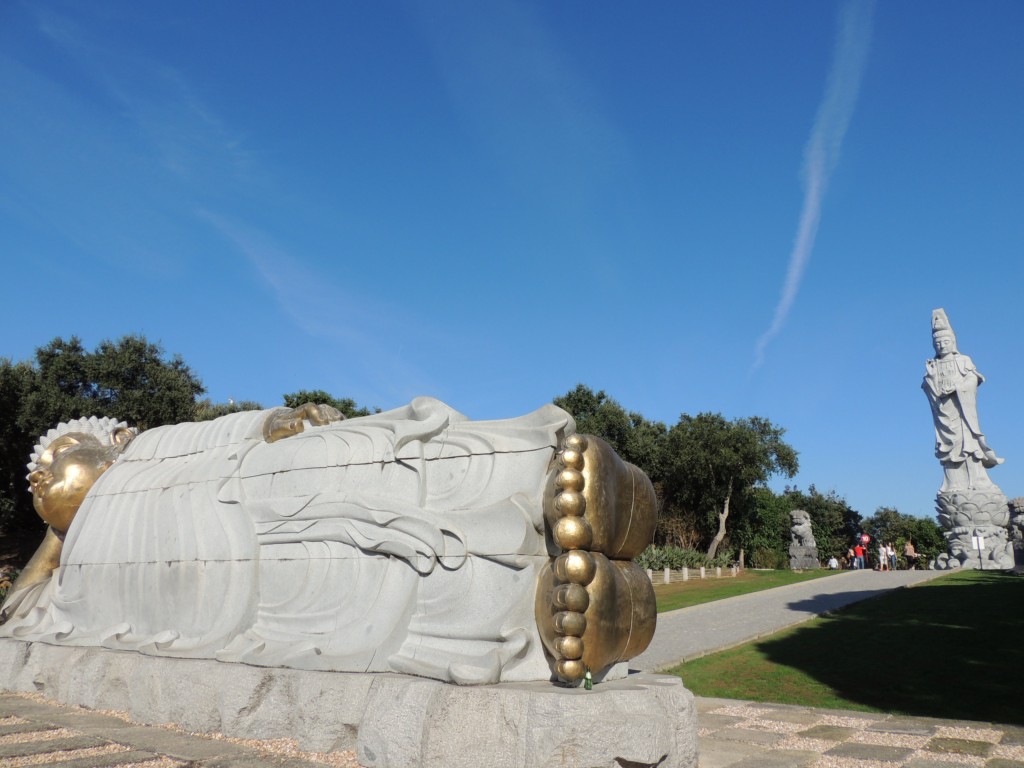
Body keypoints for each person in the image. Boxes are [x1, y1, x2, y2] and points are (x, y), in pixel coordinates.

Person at [0, 398, 658, 686]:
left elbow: (231, 432)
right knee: (340, 570)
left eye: (57, 456)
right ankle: (547, 606)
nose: (44, 476)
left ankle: (541, 478)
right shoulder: (70, 567)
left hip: (234, 474)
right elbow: (14, 615)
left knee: (365, 457)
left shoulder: (152, 447)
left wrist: (277, 422)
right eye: (39, 479)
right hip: (196, 544)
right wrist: (54, 546)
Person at [922, 309, 1003, 492]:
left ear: (953, 342)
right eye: (938, 343)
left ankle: (978, 482)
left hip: (962, 413)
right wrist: (931, 376)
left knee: (969, 445)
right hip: (945, 413)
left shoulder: (963, 360)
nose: (942, 346)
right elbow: (928, 386)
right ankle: (953, 484)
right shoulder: (934, 365)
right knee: (950, 449)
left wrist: (958, 387)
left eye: (945, 342)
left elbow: (974, 379)